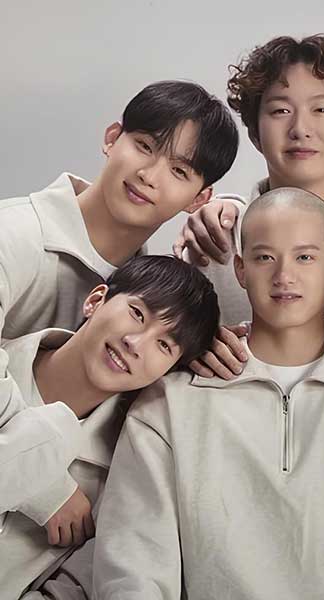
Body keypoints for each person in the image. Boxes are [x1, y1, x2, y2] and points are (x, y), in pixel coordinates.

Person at [94, 189, 324, 600]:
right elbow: (133, 571)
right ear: (240, 270)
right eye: (264, 257)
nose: (284, 276)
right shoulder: (168, 405)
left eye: (304, 257)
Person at [175, 35, 324, 381]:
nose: (300, 129)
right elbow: (159, 350)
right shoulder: (214, 241)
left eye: (321, 109)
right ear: (255, 134)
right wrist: (189, 348)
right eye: (280, 111)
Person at [0, 79, 238, 404]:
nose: (149, 176)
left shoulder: (148, 292)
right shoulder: (13, 233)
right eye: (145, 146)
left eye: (179, 171)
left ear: (198, 199)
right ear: (112, 138)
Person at [1, 254, 220, 600]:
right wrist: (46, 488)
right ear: (95, 300)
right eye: (137, 314)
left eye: (164, 345)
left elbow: (75, 588)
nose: (136, 344)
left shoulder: (119, 476)